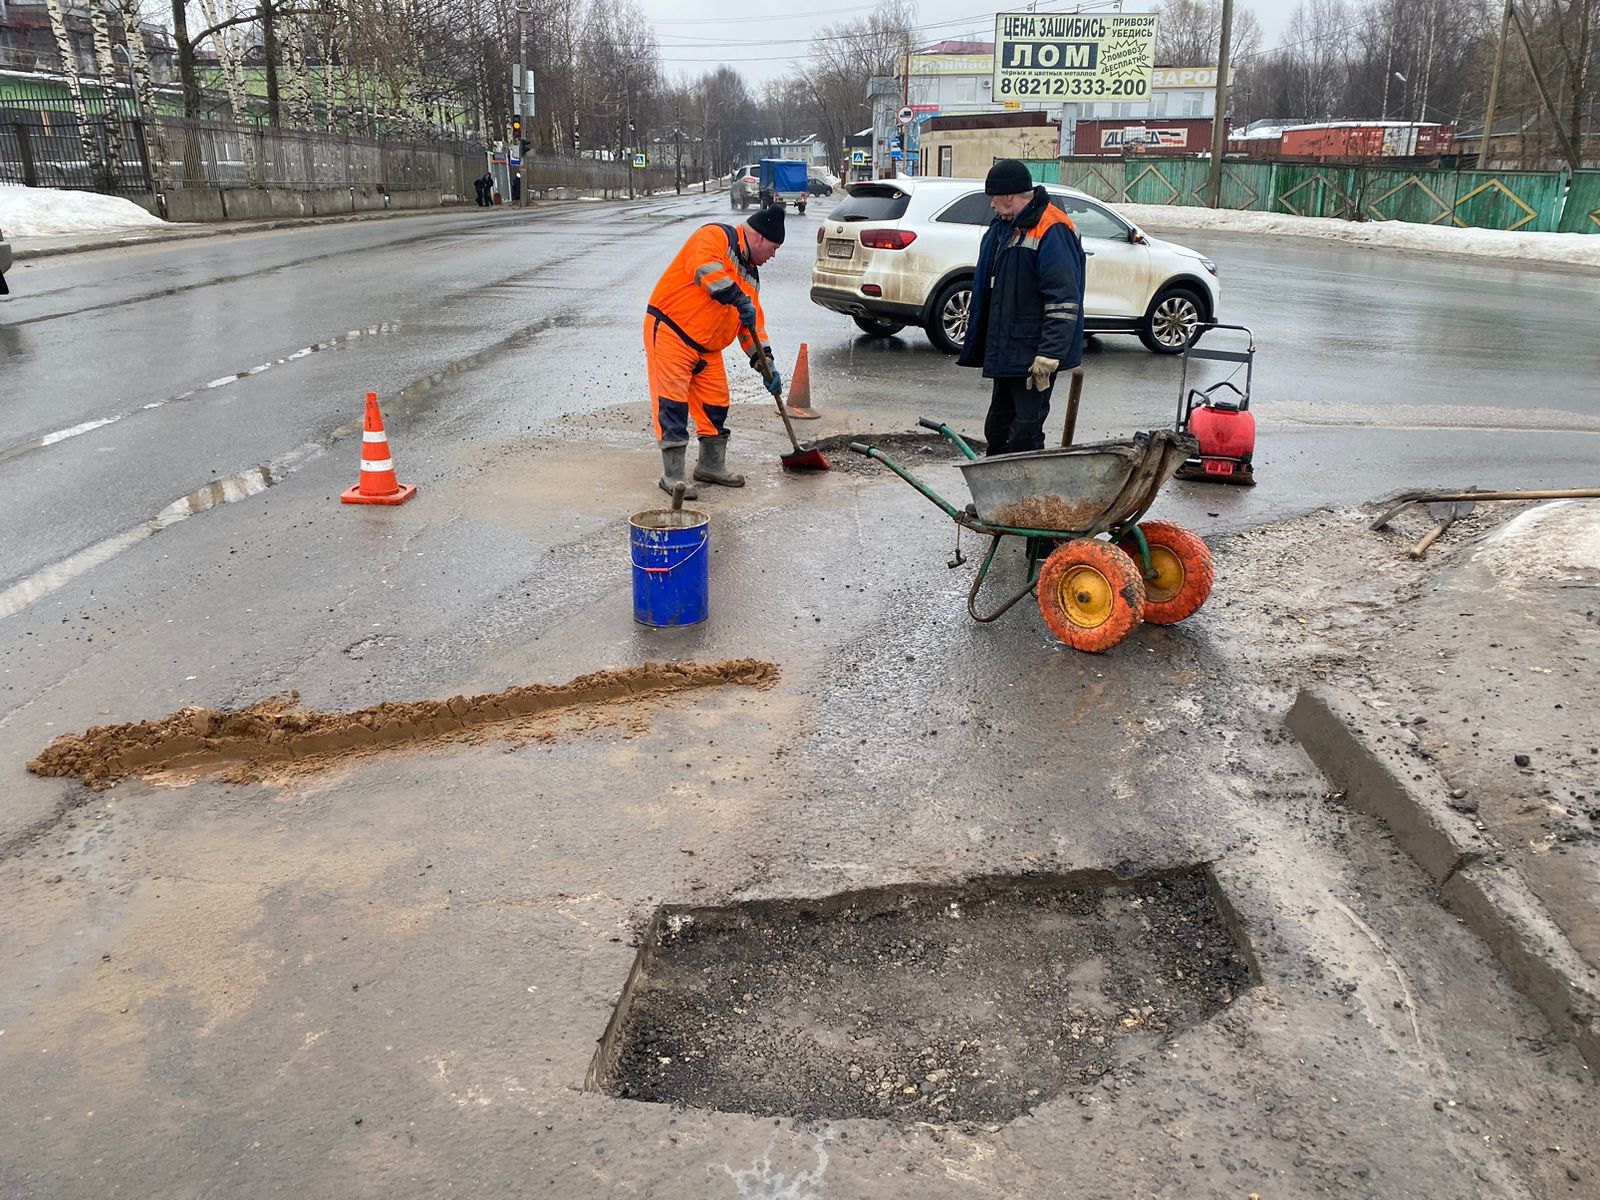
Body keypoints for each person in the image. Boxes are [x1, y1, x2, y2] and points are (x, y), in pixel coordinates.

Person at [643, 204, 785, 497]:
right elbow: (705, 269)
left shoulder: (751, 276)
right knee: (673, 403)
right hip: (672, 331)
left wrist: (764, 360)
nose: (774, 255)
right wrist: (737, 298)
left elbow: (751, 325)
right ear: (758, 238)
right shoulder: (715, 236)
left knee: (716, 405)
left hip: (707, 347)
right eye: (773, 247)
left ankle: (710, 466)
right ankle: (673, 475)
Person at [957, 159, 1086, 457]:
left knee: (1025, 431)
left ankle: (1025, 499)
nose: (991, 204)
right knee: (998, 428)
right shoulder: (1004, 228)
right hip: (1007, 349)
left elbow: (1063, 300)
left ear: (1010, 195)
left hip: (1032, 355)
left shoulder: (1052, 229)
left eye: (994, 197)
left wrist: (1050, 354)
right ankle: (998, 497)